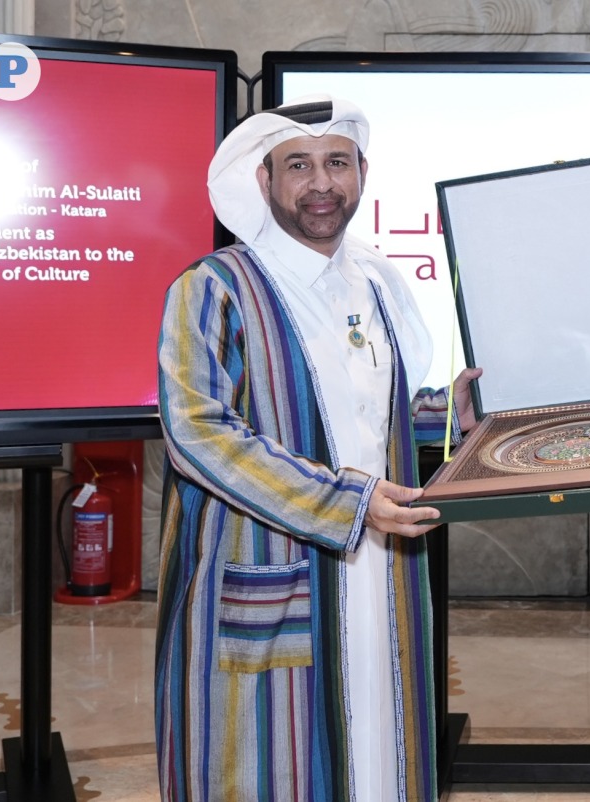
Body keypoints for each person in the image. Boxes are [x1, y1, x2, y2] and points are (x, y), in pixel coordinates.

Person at [155, 94, 480, 801]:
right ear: (263, 181)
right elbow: (198, 432)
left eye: (337, 162)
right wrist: (348, 504)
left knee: (377, 754)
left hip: (380, 573)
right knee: (272, 766)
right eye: (297, 165)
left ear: (362, 173)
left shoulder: (375, 282)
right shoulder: (213, 289)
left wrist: (445, 417)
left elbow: (368, 417)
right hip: (273, 579)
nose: (321, 184)